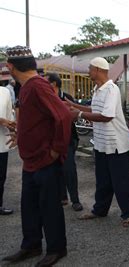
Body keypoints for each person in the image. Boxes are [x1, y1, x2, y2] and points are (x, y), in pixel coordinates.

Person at [2, 46, 71, 266]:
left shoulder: (38, 86)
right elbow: (36, 120)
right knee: (29, 206)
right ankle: (31, 245)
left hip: (45, 161)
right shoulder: (26, 87)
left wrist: (55, 150)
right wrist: (21, 135)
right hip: (30, 161)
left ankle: (56, 249)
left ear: (10, 67)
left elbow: (63, 117)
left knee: (49, 206)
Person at [68, 57, 129, 228]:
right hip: (100, 143)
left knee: (120, 182)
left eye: (90, 68)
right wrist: (72, 105)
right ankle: (100, 210)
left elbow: (106, 116)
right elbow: (95, 110)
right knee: (103, 180)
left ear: (98, 70)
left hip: (115, 145)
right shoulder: (97, 89)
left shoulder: (111, 89)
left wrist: (77, 115)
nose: (89, 71)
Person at [45, 73, 83, 212]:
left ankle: (75, 200)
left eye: (46, 81)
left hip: (68, 139)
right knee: (55, 168)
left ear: (54, 83)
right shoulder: (46, 99)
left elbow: (74, 118)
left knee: (69, 169)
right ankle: (62, 197)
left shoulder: (67, 98)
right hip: (51, 140)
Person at [0, 85, 15, 215]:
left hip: (1, 143)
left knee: (1, 177)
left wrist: (13, 127)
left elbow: (10, 114)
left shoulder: (5, 92)